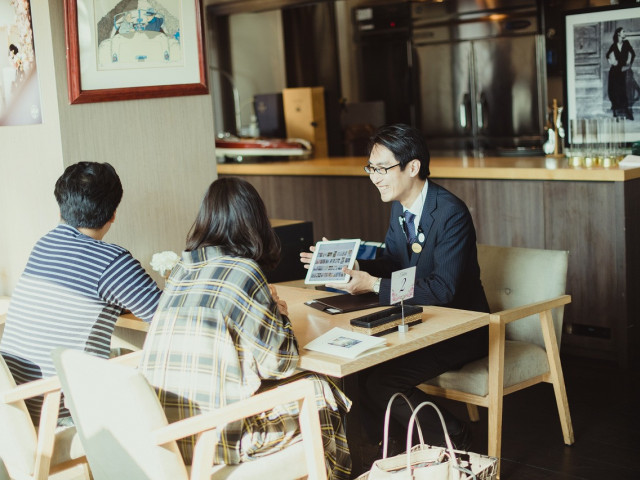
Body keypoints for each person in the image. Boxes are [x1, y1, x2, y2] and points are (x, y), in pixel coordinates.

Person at [139, 177, 352, 480]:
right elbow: (280, 363)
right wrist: (279, 315)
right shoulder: (244, 271)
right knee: (319, 390)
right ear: (256, 223)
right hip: (220, 437)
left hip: (171, 434)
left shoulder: (181, 271)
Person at [301, 123, 489, 457]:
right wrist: (352, 265)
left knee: (381, 381)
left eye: (383, 168)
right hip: (421, 319)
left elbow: (443, 289)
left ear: (413, 167)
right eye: (371, 168)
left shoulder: (450, 213)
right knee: (362, 370)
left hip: (462, 327)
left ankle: (453, 435)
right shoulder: (400, 206)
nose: (374, 177)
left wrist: (372, 285)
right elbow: (393, 261)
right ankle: (388, 449)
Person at [0, 162, 161, 424]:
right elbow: (166, 318)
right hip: (62, 412)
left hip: (16, 410)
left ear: (62, 205)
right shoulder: (112, 262)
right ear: (113, 214)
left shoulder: (44, 245)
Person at [606, 27, 636, 120]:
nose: (625, 33)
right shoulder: (614, 45)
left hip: (622, 70)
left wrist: (629, 64)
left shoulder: (626, 43)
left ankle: (627, 113)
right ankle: (615, 112)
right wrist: (612, 62)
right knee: (614, 91)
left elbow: (633, 54)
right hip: (614, 71)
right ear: (618, 34)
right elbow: (607, 55)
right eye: (623, 31)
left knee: (622, 91)